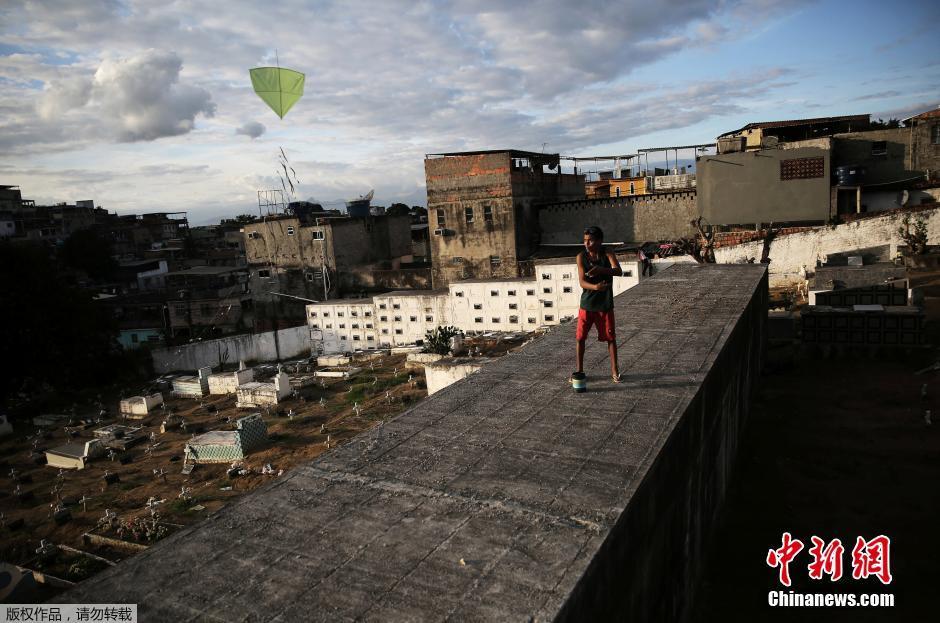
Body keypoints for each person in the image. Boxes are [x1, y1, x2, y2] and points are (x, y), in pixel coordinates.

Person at [575, 226, 623, 383]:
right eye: (585, 240)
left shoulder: (607, 253)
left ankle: (615, 371)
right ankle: (579, 371)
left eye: (590, 240)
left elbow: (618, 271)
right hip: (587, 304)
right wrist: (596, 287)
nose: (587, 244)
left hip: (605, 305)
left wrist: (601, 270)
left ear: (600, 241)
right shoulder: (581, 257)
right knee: (580, 338)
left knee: (610, 338)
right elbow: (582, 282)